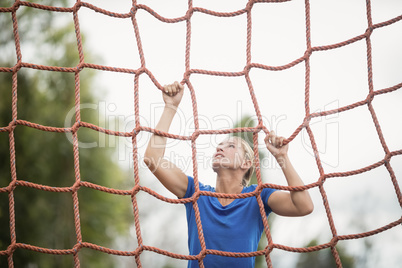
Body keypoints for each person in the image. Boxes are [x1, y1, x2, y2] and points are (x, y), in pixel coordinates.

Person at [144, 81, 314, 268]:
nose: (220, 148)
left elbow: (303, 206)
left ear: (246, 163)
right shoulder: (196, 193)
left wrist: (282, 158)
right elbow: (152, 158)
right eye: (219, 146)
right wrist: (170, 107)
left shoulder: (257, 197)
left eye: (231, 146)